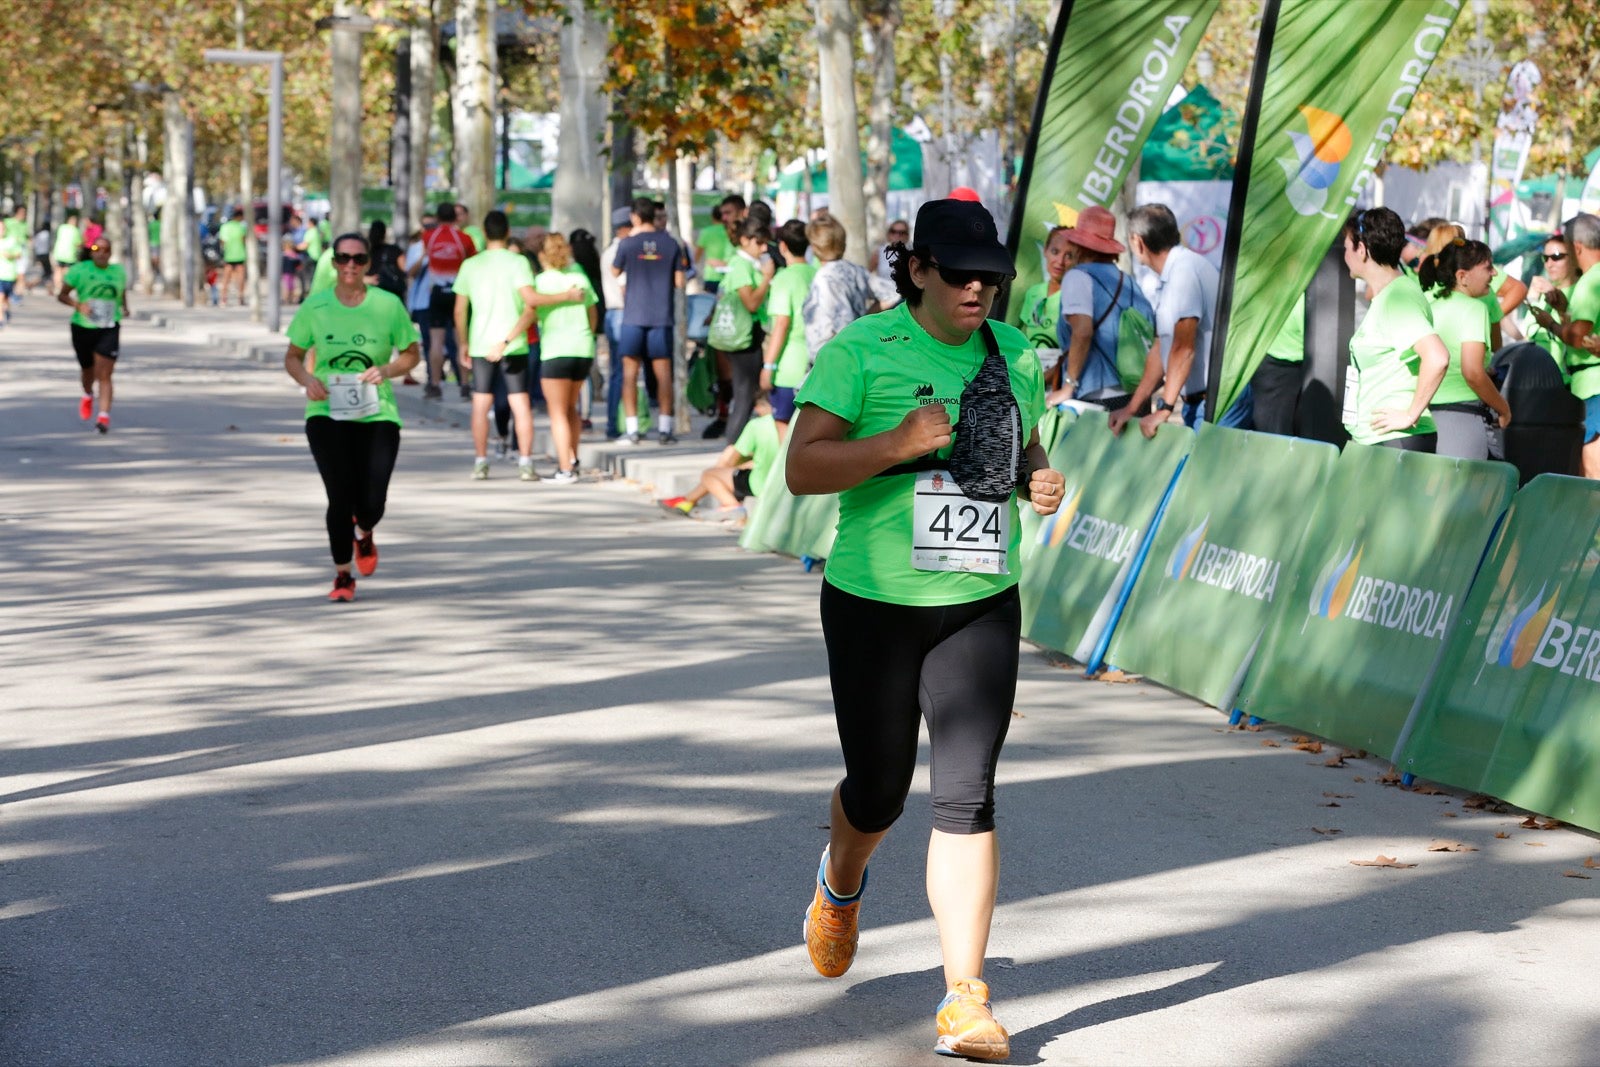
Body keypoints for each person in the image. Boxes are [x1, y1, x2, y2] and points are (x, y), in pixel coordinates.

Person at [784, 197, 1066, 1063]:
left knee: (967, 794)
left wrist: (1040, 480)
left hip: (980, 597)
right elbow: (801, 467)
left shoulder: (1014, 354)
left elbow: (1021, 449)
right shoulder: (861, 352)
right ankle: (841, 877)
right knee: (878, 789)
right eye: (961, 275)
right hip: (873, 602)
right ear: (918, 271)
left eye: (992, 277)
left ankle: (965, 997)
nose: (979, 289)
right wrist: (899, 442)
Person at [282, 232, 422, 602]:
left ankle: (365, 531)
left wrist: (388, 370)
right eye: (342, 258)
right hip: (326, 410)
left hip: (378, 412)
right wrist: (307, 380)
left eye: (358, 259)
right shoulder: (316, 305)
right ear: (333, 263)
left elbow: (411, 353)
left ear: (368, 263)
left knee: (372, 502)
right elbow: (293, 356)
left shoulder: (388, 305)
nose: (350, 266)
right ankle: (343, 575)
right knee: (339, 496)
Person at [453, 209, 561, 482]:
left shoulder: (470, 265)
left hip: (480, 344)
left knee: (480, 403)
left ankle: (480, 461)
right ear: (508, 231)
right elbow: (530, 302)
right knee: (520, 403)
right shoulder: (518, 263)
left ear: (484, 232)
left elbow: (459, 310)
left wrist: (463, 342)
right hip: (514, 344)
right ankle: (525, 462)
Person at [1340, 207, 1449, 452]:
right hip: (1377, 439)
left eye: (1347, 248)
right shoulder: (1389, 295)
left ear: (1362, 250)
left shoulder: (1398, 297)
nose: (1345, 255)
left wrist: (1410, 415)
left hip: (1394, 440)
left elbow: (1437, 357)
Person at [1110, 203, 1225, 435]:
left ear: (1137, 242)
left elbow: (1183, 348)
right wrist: (1131, 408)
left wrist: (1164, 408)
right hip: (1200, 403)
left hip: (1214, 404)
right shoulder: (1176, 271)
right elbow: (1162, 348)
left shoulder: (1183, 272)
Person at [1046, 205, 1150, 409]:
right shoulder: (1129, 282)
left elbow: (1082, 331)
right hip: (1136, 395)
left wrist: (1069, 385)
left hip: (1095, 395)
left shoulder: (1077, 277)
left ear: (1079, 244)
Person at [1417, 237, 1510, 459]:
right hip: (1463, 420)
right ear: (1462, 276)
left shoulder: (1428, 306)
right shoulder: (1475, 309)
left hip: (1426, 417)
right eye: (1488, 267)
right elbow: (1473, 372)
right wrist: (1504, 408)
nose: (1494, 274)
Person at [1527, 213, 1600, 477]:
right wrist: (1563, 311)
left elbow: (1579, 337)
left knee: (1592, 475)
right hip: (1588, 387)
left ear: (1576, 247)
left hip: (1593, 388)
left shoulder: (1592, 280)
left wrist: (1550, 324)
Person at [611, 196, 685, 444]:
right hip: (661, 317)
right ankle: (665, 427)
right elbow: (679, 282)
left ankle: (632, 429)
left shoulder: (627, 243)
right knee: (663, 374)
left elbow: (614, 271)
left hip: (633, 316)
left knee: (630, 374)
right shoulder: (672, 244)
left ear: (634, 216)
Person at [532, 232, 600, 483]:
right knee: (571, 408)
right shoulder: (578, 275)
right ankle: (573, 457)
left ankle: (565, 468)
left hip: (555, 349)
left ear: (542, 254)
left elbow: (532, 310)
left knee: (557, 412)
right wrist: (589, 335)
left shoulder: (541, 281)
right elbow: (593, 310)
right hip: (582, 347)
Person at [659, 393, 781, 522]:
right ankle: (688, 500)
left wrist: (731, 468)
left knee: (709, 474)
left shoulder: (758, 424)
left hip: (759, 483)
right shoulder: (791, 423)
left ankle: (731, 505)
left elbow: (732, 458)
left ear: (759, 407)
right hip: (782, 481)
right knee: (727, 463)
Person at [57, 237, 128, 433]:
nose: (101, 253)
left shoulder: (118, 271)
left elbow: (121, 293)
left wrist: (125, 307)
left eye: (106, 249)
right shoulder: (80, 270)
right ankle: (87, 393)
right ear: (91, 251)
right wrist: (78, 305)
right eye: (97, 249)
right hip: (83, 327)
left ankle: (103, 417)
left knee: (104, 373)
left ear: (111, 252)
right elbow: (62, 295)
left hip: (109, 326)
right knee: (88, 370)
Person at [717, 217, 777, 443]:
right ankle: (732, 448)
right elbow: (750, 303)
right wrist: (767, 278)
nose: (763, 249)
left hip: (750, 334)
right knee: (744, 395)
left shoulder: (748, 263)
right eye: (759, 243)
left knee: (747, 395)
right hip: (744, 336)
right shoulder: (741, 265)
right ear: (744, 240)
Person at [1423, 223, 1527, 348]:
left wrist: (1494, 315)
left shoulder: (1422, 291)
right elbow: (1488, 353)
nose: (1493, 272)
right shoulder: (1480, 293)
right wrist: (1491, 318)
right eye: (1461, 243)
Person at [759, 220, 817, 429]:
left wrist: (768, 366)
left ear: (782, 246)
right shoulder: (817, 273)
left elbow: (781, 324)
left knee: (783, 427)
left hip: (789, 365)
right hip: (816, 363)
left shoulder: (784, 278)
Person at [801, 212, 876, 367]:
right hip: (850, 358)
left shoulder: (825, 278)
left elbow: (844, 324)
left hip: (833, 363)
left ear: (815, 246)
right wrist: (865, 318)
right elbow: (891, 294)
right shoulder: (855, 270)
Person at [421, 202, 478, 399]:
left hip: (436, 292)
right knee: (461, 339)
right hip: (458, 292)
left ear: (437, 217)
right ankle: (465, 384)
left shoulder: (429, 237)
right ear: (456, 217)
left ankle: (435, 383)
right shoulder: (464, 239)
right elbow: (473, 260)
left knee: (437, 341)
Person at [1015, 225, 1072, 374]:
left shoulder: (1074, 297)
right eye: (1055, 252)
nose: (1060, 261)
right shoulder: (1034, 292)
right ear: (1045, 251)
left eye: (1069, 256)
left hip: (1059, 378)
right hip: (1027, 373)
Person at [1522, 233, 1577, 374]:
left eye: (1557, 256)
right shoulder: (1543, 292)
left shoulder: (1581, 291)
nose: (1549, 264)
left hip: (1566, 381)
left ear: (1574, 257)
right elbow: (1527, 334)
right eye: (1545, 258)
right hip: (1537, 379)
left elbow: (1577, 337)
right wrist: (1532, 298)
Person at [599, 207, 631, 438]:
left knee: (617, 372)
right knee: (622, 373)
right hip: (622, 312)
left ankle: (614, 422)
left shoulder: (609, 251)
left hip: (612, 314)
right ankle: (616, 424)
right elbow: (625, 287)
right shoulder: (621, 252)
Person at [695, 201, 733, 295]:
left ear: (712, 217)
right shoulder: (731, 231)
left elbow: (696, 256)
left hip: (711, 275)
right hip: (729, 275)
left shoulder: (706, 232)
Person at [217, 207, 249, 306]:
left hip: (229, 256)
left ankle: (223, 299)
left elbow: (222, 242)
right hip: (240, 255)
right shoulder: (241, 227)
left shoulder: (225, 227)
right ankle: (241, 298)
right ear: (239, 216)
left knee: (226, 279)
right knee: (241, 278)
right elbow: (244, 240)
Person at [0, 225, 24, 325]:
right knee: (0, 297)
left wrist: (10, 255)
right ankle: (1, 319)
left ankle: (7, 311)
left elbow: (19, 255)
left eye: (2, 228)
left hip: (9, 274)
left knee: (6, 299)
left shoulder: (11, 240)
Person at [52, 212, 83, 288]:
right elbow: (78, 243)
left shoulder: (61, 227)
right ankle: (62, 285)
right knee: (66, 271)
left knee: (58, 270)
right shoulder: (75, 230)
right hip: (69, 255)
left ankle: (57, 286)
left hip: (58, 253)